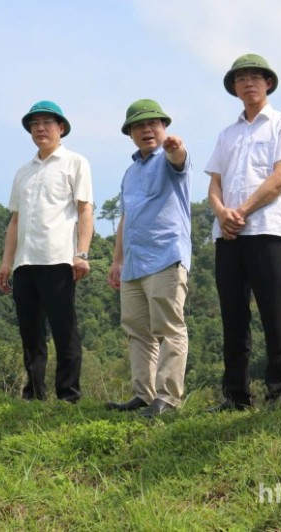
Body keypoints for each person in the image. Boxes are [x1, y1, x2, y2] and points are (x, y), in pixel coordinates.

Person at [206, 53, 281, 411]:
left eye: (254, 77)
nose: (248, 83)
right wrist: (221, 213)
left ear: (268, 83)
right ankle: (235, 396)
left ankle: (280, 393)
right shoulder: (226, 134)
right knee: (233, 317)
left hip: (266, 231)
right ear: (234, 87)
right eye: (240, 78)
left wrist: (240, 212)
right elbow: (214, 183)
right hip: (228, 236)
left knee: (275, 314)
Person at [0, 100, 94, 403]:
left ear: (60, 128)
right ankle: (34, 393)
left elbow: (85, 211)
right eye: (34, 124)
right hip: (25, 262)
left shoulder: (75, 162)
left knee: (65, 331)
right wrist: (6, 263)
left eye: (47, 123)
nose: (40, 128)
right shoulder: (23, 172)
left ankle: (68, 395)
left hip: (58, 259)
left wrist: (82, 253)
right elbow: (15, 221)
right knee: (30, 333)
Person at [107, 100, 192, 418]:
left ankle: (168, 397)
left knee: (169, 327)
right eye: (139, 126)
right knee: (137, 329)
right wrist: (116, 261)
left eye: (153, 124)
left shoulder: (170, 158)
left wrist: (176, 148)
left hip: (166, 255)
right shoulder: (129, 173)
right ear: (130, 133)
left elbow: (178, 158)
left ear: (164, 127)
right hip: (133, 262)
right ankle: (143, 395)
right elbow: (126, 218)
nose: (147, 130)